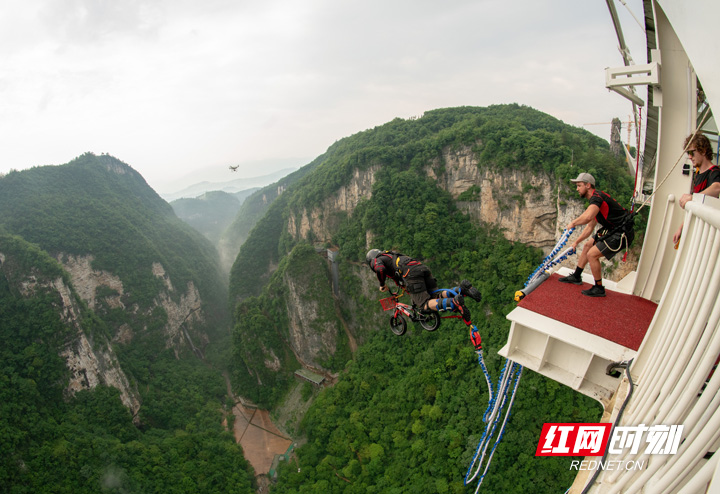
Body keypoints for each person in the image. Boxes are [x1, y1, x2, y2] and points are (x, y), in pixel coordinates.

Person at [558, 173, 634, 297]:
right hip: (612, 229)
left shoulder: (597, 198)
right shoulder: (596, 201)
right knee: (588, 245)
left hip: (621, 232)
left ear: (588, 185)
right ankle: (577, 276)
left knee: (592, 255)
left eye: (579, 185)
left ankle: (599, 288)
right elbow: (589, 227)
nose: (577, 189)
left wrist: (573, 223)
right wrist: (576, 242)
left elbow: (587, 217)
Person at [365, 249, 481, 325]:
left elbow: (380, 269)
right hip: (421, 268)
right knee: (435, 296)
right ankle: (461, 290)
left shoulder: (376, 260)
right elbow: (398, 278)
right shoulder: (391, 256)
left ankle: (453, 303)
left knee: (424, 305)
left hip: (411, 273)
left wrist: (382, 284)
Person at [672, 134, 720, 245]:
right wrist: (681, 227)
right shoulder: (697, 175)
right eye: (688, 153)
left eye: (691, 152)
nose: (689, 157)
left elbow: (717, 187)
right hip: (697, 230)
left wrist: (693, 198)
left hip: (707, 235)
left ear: (703, 151)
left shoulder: (715, 171)